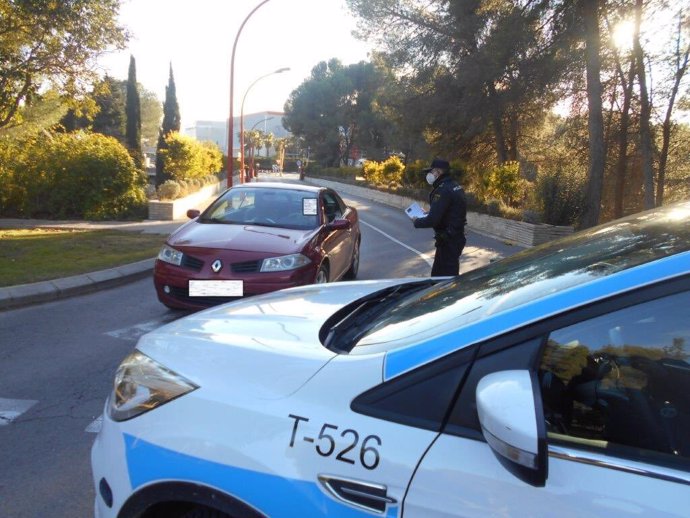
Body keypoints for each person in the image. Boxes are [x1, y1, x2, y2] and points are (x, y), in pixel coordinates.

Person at [412, 158, 467, 276]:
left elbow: (433, 220)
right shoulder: (455, 186)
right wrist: (429, 213)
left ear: (438, 172)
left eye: (431, 172)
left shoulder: (442, 190)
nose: (429, 175)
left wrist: (417, 221)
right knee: (440, 276)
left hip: (448, 240)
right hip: (454, 237)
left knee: (444, 280)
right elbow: (450, 212)